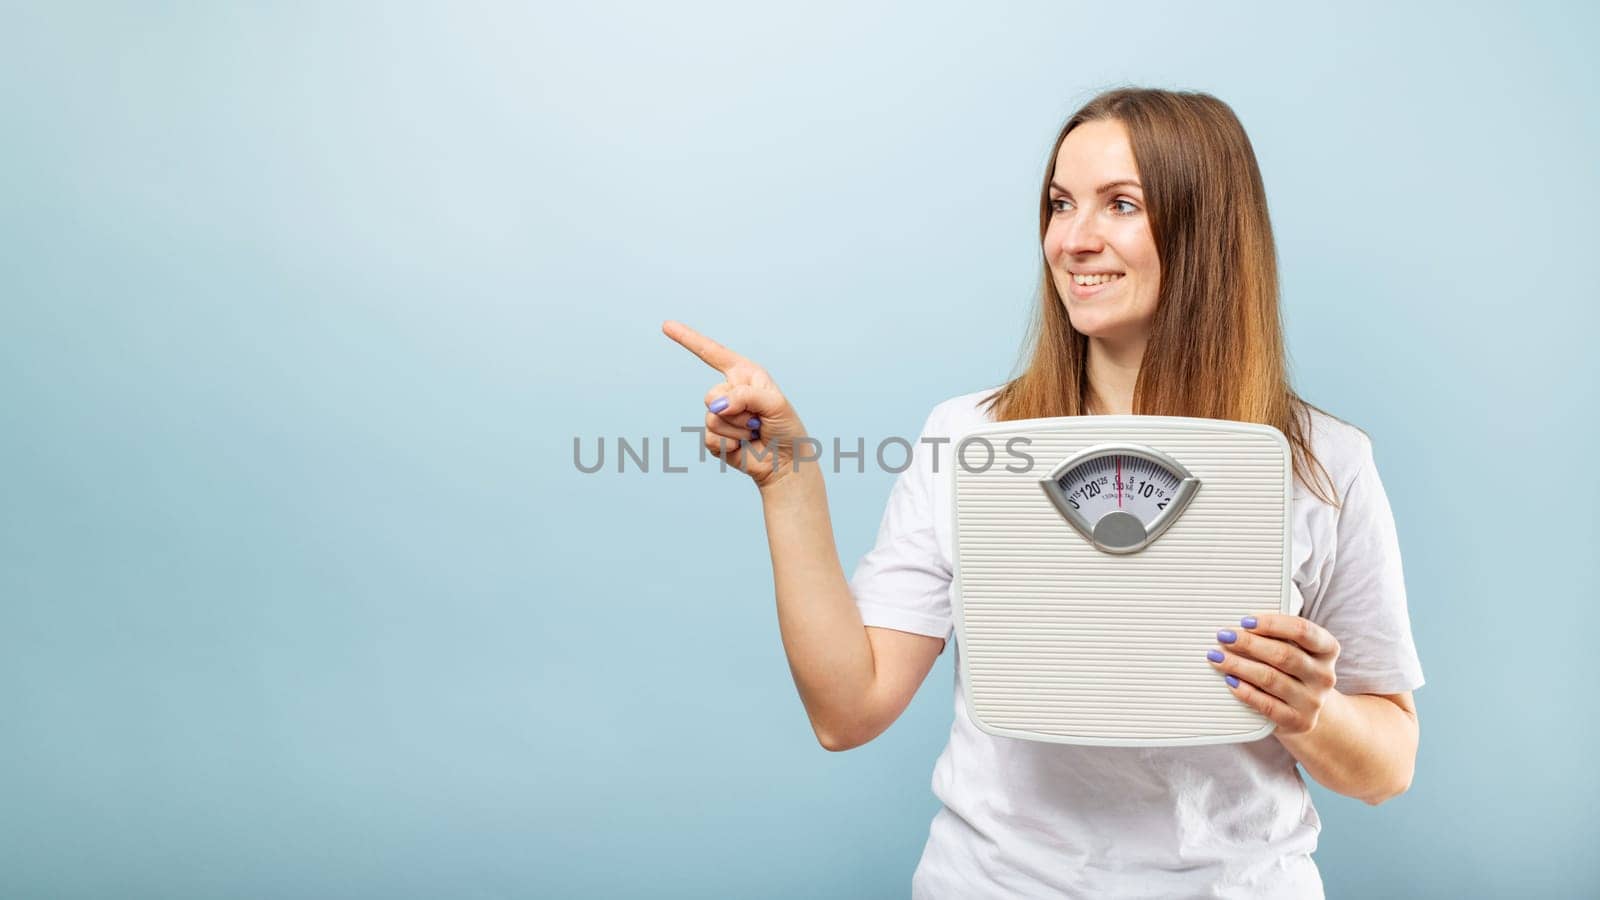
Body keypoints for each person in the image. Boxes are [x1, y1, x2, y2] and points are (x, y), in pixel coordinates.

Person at [662, 87, 1424, 899]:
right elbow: (847, 711)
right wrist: (787, 481)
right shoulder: (970, 438)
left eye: (1120, 204)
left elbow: (1388, 768)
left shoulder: (1322, 463)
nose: (1073, 240)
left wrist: (1314, 712)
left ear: (1206, 231)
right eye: (1061, 204)